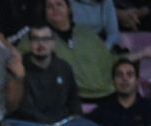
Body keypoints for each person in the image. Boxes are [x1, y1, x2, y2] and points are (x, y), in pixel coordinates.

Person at [17, 0, 151, 102]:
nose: (55, 9)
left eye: (59, 4)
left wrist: (142, 53)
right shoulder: (37, 37)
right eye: (49, 6)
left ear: (69, 8)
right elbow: (19, 59)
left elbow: (110, 60)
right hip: (71, 99)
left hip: (107, 92)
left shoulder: (87, 34)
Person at [15, 22, 82, 124]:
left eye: (45, 39)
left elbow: (74, 100)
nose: (41, 44)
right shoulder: (20, 68)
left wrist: (76, 121)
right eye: (35, 39)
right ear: (29, 43)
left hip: (64, 125)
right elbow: (25, 108)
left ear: (53, 43)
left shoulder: (64, 67)